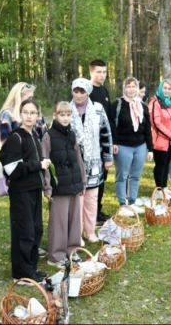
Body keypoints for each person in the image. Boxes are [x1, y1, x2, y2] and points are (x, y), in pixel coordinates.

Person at [0, 98, 49, 283]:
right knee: (24, 232)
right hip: (21, 192)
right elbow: (12, 168)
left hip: (34, 189)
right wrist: (38, 165)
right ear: (20, 114)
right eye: (26, 112)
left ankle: (32, 268)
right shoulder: (16, 137)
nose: (29, 116)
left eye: (33, 113)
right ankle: (21, 273)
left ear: (38, 115)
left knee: (35, 230)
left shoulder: (34, 135)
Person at [42, 102, 86, 267]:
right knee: (59, 221)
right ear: (55, 115)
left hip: (74, 183)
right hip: (58, 186)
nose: (65, 118)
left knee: (74, 220)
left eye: (68, 115)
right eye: (62, 115)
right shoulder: (48, 136)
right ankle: (56, 255)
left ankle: (72, 250)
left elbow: (78, 160)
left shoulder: (72, 134)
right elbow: (45, 162)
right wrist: (47, 186)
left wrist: (82, 181)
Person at [70, 78, 113, 243]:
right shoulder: (67, 109)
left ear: (88, 92)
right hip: (74, 164)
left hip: (94, 162)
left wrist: (107, 157)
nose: (79, 95)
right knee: (77, 201)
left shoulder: (98, 109)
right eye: (76, 91)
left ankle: (90, 231)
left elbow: (106, 133)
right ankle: (77, 233)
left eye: (82, 92)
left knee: (92, 200)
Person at [111, 77, 153, 216]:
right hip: (123, 146)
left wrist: (150, 149)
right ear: (124, 88)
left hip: (140, 145)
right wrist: (114, 143)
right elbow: (112, 126)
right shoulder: (117, 104)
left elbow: (147, 128)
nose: (131, 89)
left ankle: (132, 202)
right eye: (128, 86)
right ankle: (123, 204)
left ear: (137, 88)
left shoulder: (143, 106)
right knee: (122, 175)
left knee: (135, 175)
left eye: (134, 86)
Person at [88, 59, 113, 225]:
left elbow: (108, 120)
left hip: (104, 144)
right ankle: (89, 214)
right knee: (91, 180)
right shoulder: (86, 92)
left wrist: (113, 143)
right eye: (99, 72)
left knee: (103, 177)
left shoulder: (104, 91)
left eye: (104, 72)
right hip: (90, 145)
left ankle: (97, 212)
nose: (102, 75)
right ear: (91, 72)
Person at [148, 79, 171, 188]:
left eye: (169, 88)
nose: (167, 91)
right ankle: (159, 189)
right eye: (165, 88)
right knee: (160, 164)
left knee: (167, 163)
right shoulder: (155, 102)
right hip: (160, 139)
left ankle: (164, 187)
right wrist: (170, 135)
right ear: (160, 88)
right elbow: (156, 123)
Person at [0, 82, 47, 148]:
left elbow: (45, 141)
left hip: (38, 157)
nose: (31, 101)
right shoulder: (7, 115)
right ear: (18, 97)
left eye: (32, 98)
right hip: (17, 157)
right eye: (29, 98)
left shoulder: (37, 114)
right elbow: (5, 145)